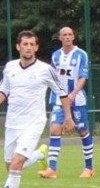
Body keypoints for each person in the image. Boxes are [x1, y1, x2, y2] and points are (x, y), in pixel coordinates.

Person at [0, 30, 73, 188]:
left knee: (16, 163)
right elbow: (4, 89)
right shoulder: (10, 67)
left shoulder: (45, 69)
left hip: (34, 122)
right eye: (25, 44)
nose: (28, 48)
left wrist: (68, 117)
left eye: (31, 44)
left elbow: (62, 92)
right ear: (18, 47)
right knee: (11, 166)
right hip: (12, 123)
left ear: (36, 47)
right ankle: (40, 154)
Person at [38, 26, 95, 179]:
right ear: (60, 37)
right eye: (64, 35)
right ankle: (52, 169)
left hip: (77, 100)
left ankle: (89, 167)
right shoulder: (56, 55)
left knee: (83, 131)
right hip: (58, 99)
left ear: (73, 37)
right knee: (55, 129)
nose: (67, 37)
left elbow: (83, 77)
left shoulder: (81, 54)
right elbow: (52, 77)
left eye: (70, 34)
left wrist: (72, 95)